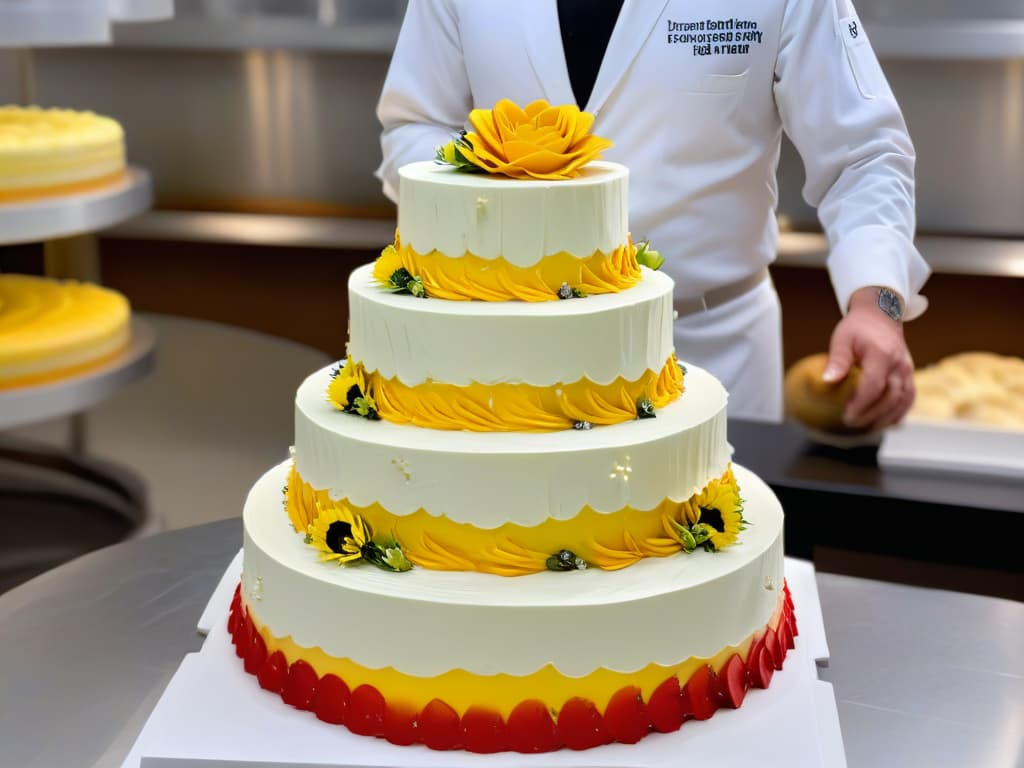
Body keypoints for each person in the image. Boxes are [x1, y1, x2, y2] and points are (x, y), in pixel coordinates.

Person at [374, 0, 930, 426]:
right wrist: (494, 200)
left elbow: (863, 153)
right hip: (514, 352)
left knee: (719, 564)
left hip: (715, 349)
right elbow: (415, 126)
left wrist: (877, 301)